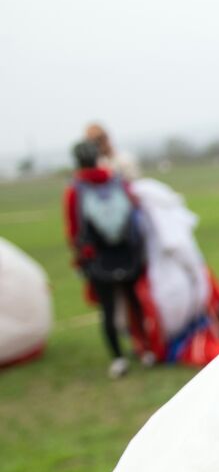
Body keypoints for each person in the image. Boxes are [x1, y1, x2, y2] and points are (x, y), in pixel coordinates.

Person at [64, 138, 150, 378]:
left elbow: (73, 229)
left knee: (109, 309)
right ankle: (144, 350)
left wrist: (80, 257)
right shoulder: (117, 181)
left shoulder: (75, 190)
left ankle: (119, 358)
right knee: (134, 302)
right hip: (126, 252)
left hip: (98, 257)